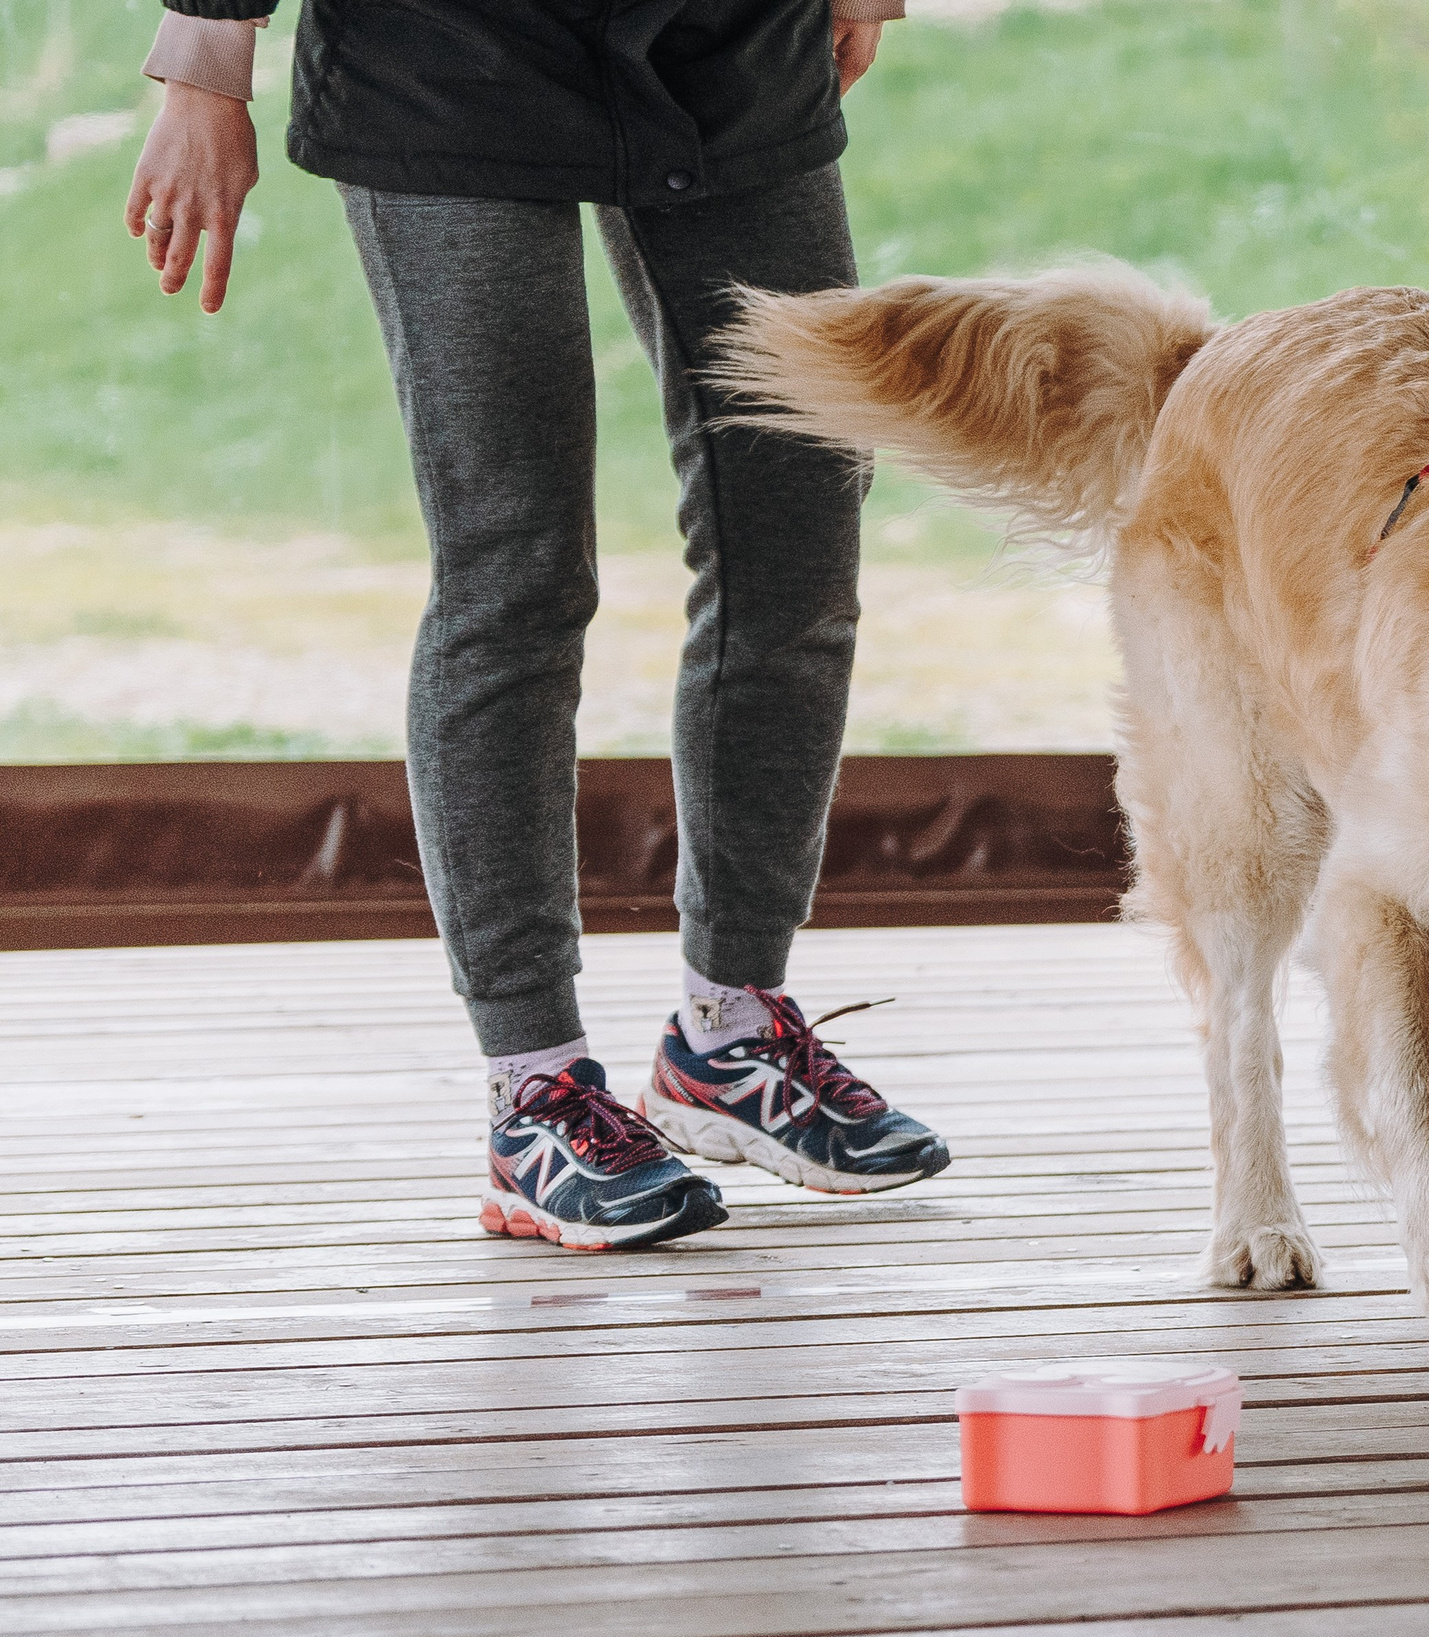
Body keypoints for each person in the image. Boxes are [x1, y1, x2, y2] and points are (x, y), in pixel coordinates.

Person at [127, 0, 949, 1252]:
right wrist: (204, 65)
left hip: (730, 44)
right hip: (444, 56)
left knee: (797, 532)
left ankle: (729, 1034)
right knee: (515, 565)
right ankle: (536, 1089)